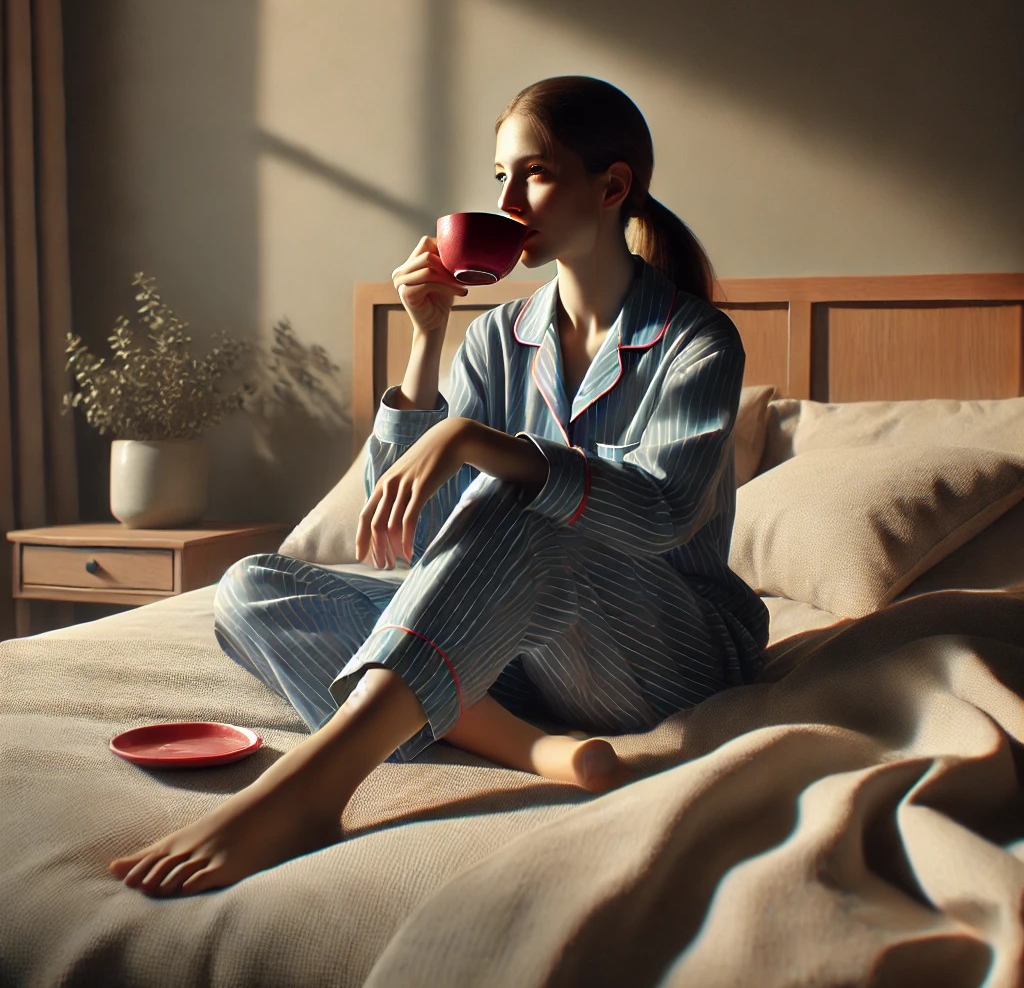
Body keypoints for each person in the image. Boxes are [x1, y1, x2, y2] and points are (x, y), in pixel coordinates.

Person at [109, 75, 769, 897]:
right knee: (250, 587)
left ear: (612, 186)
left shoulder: (696, 340)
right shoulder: (498, 336)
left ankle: (314, 788)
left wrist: (486, 444)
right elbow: (414, 543)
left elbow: (665, 510)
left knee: (524, 507)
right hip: (522, 658)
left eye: (534, 173)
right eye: (499, 177)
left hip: (669, 653)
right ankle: (531, 747)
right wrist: (426, 346)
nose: (508, 199)